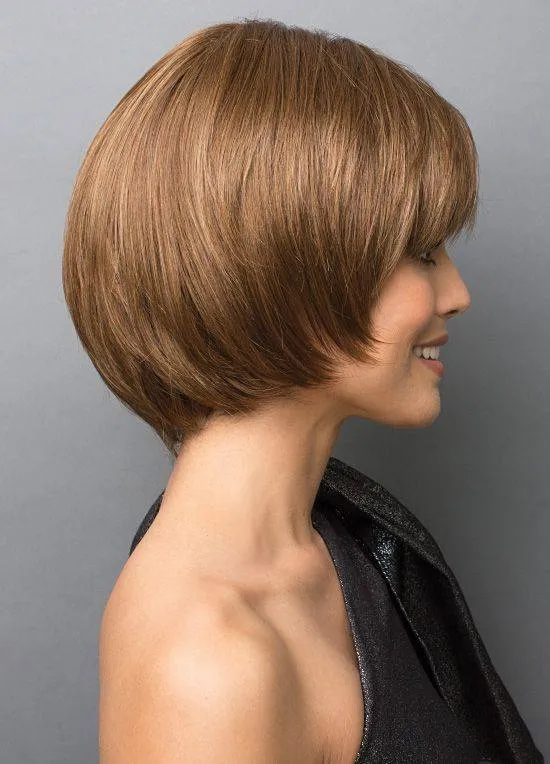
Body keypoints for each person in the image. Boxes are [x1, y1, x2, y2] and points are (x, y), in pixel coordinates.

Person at [62, 18, 543, 763]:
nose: (457, 294)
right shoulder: (208, 664)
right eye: (420, 252)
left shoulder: (334, 544)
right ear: (282, 268)